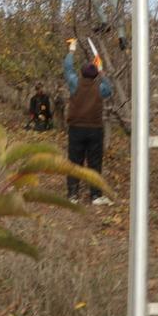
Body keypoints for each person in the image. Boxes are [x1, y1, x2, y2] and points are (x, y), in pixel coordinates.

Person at [63, 39, 114, 206]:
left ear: (82, 73)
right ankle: (95, 195)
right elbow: (109, 88)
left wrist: (71, 50)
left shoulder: (74, 83)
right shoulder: (100, 88)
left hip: (76, 129)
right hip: (95, 131)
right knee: (95, 163)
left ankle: (72, 195)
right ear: (94, 75)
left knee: (74, 162)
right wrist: (101, 71)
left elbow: (68, 68)